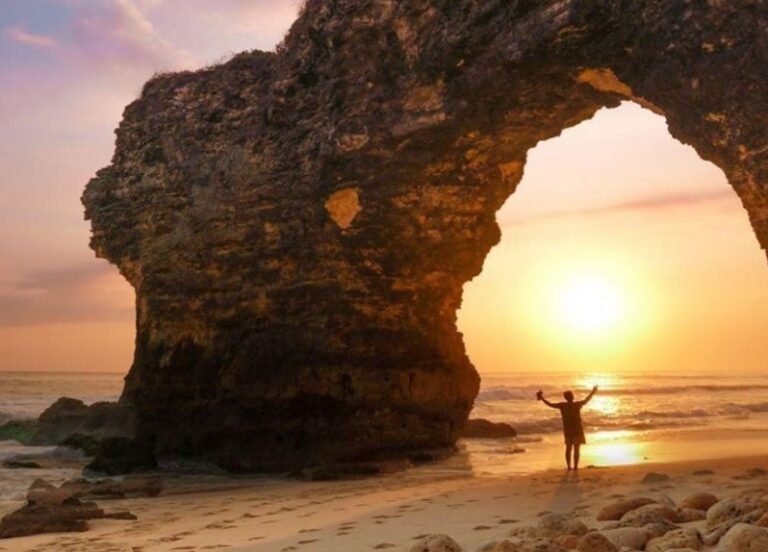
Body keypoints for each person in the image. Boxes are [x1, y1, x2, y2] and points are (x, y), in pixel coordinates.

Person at [536, 385, 598, 470]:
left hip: (568, 430)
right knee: (576, 449)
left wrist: (542, 398)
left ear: (565, 398)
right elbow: (587, 400)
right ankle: (575, 467)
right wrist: (593, 391)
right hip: (577, 429)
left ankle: (569, 467)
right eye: (571, 395)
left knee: (568, 448)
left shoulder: (562, 406)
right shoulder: (577, 404)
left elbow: (550, 404)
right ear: (572, 397)